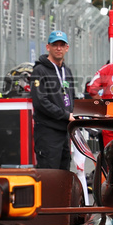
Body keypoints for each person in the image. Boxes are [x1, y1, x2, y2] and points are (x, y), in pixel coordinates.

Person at [31, 30, 76, 170]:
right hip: (47, 132)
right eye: (55, 45)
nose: (58, 48)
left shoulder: (67, 71)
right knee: (49, 175)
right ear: (48, 47)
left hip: (64, 131)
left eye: (62, 45)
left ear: (67, 48)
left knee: (64, 175)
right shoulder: (39, 70)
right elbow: (40, 102)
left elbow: (70, 97)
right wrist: (66, 115)